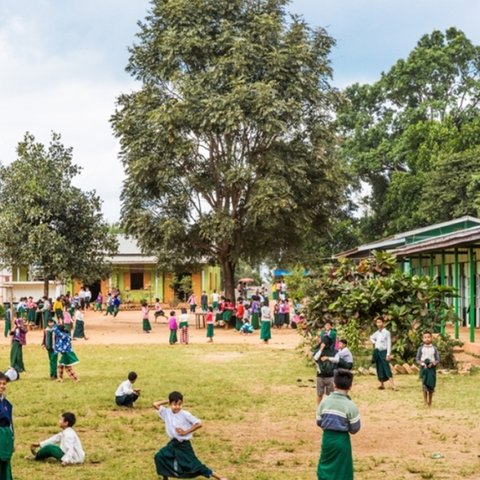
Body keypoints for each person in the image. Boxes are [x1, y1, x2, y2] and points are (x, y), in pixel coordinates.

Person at [153, 391, 228, 480]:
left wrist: (186, 432)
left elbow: (199, 424)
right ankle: (165, 478)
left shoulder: (185, 414)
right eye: (174, 404)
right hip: (173, 444)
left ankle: (220, 478)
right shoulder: (167, 412)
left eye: (180, 404)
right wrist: (169, 400)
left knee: (195, 465)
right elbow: (155, 404)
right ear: (170, 403)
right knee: (160, 456)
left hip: (184, 445)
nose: (177, 407)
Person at [316, 369, 361, 480]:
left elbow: (319, 421)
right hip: (342, 441)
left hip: (327, 439)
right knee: (343, 469)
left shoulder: (324, 402)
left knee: (326, 466)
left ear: (334, 384)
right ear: (350, 387)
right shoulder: (351, 405)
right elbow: (355, 428)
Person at [370, 317, 396, 390]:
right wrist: (375, 342)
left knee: (386, 367)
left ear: (383, 323)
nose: (378, 324)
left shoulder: (386, 332)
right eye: (377, 322)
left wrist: (388, 354)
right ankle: (382, 384)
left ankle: (393, 385)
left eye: (380, 322)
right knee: (379, 367)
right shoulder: (377, 333)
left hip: (384, 352)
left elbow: (389, 344)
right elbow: (371, 337)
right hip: (377, 351)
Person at [416, 331, 440, 407]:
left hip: (431, 369)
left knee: (431, 386)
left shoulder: (434, 349)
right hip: (424, 369)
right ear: (422, 339)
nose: (427, 339)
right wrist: (422, 364)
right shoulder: (421, 348)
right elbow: (417, 359)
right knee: (424, 385)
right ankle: (425, 401)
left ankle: (430, 401)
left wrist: (433, 363)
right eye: (425, 337)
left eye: (429, 337)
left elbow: (437, 359)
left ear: (432, 338)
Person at [313, 336, 336, 405]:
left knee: (330, 395)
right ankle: (319, 408)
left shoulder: (332, 351)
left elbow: (336, 359)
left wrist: (328, 358)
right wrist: (321, 349)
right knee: (319, 394)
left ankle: (329, 407)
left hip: (330, 376)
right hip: (320, 376)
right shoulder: (318, 350)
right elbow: (315, 358)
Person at [0, 372, 14, 480]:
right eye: (0, 383)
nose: (2, 386)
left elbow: (10, 424)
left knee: (5, 462)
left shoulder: (7, 404)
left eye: (4, 384)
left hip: (5, 438)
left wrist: (12, 441)